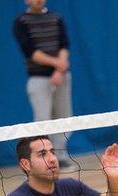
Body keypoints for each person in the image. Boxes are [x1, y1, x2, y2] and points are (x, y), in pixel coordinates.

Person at [13, 0, 76, 171]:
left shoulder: (56, 18)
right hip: (38, 79)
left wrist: (59, 69)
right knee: (43, 120)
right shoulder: (21, 22)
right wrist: (57, 65)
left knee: (64, 117)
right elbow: (31, 52)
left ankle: (61, 156)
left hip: (62, 77)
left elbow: (64, 45)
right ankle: (43, 158)